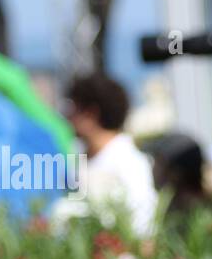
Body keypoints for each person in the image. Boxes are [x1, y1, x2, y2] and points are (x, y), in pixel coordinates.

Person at [49, 73, 159, 238]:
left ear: (90, 114)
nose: (66, 115)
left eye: (71, 107)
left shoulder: (130, 162)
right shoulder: (78, 157)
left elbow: (143, 225)